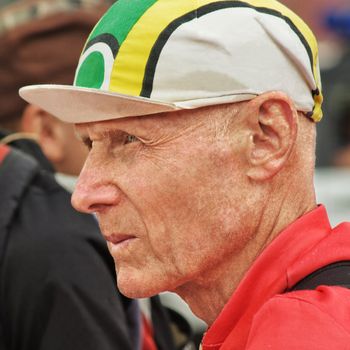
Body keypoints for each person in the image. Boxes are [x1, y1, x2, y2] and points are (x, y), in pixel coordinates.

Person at [19, 0, 350, 349]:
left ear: (266, 136)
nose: (84, 194)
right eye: (89, 144)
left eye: (130, 140)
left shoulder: (307, 330)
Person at [0, 1, 185, 349]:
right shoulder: (64, 247)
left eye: (128, 137)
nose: (86, 194)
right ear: (46, 130)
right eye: (94, 137)